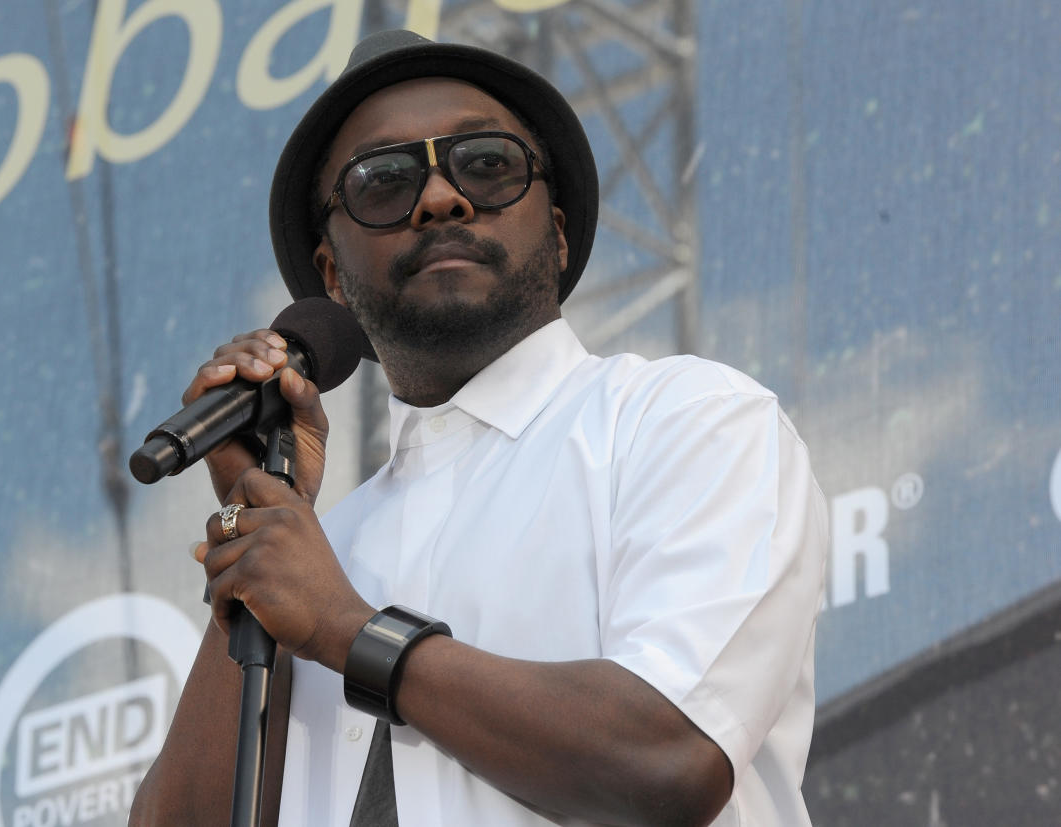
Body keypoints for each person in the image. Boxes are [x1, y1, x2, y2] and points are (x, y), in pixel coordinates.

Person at [130, 29, 827, 827]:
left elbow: (666, 760)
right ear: (331, 277)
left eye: (487, 164)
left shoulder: (685, 423)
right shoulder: (319, 549)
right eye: (383, 182)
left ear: (558, 232)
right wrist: (262, 512)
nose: (438, 198)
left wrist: (347, 629)